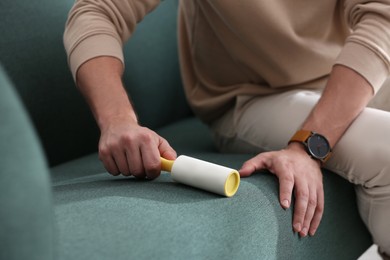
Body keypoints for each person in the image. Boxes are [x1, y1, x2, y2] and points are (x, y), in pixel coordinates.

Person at [64, 0, 390, 257]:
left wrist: (308, 146)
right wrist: (118, 119)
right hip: (255, 98)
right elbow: (97, 11)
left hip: (356, 79)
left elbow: (382, 16)